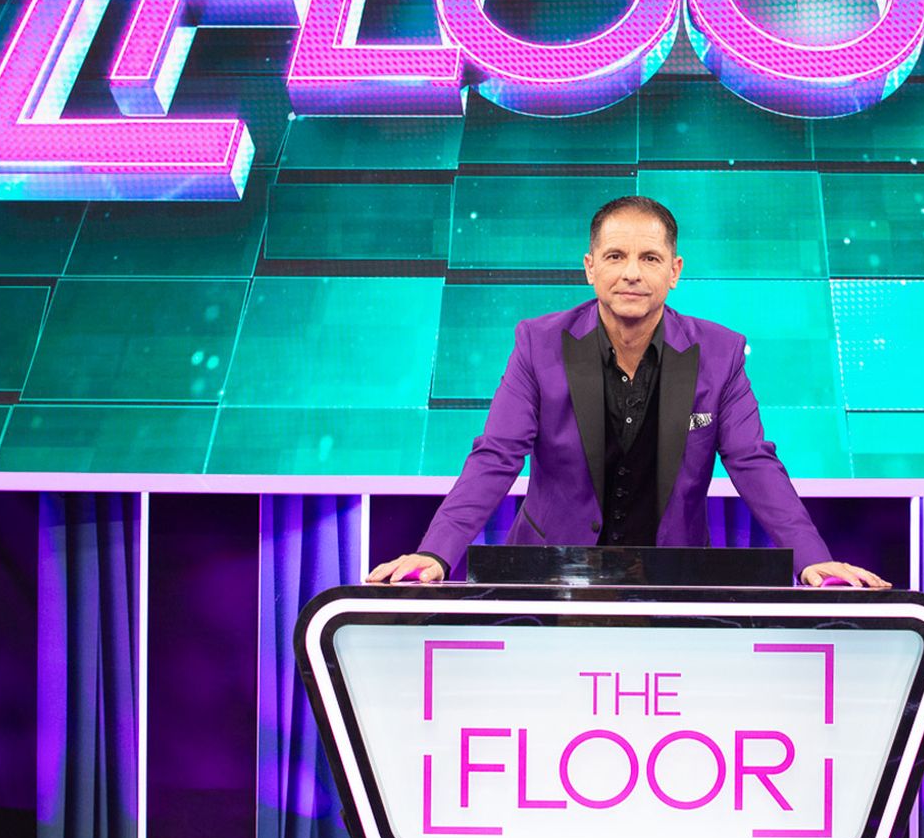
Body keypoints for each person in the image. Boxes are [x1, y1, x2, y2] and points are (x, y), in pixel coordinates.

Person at [369, 196, 890, 588]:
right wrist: (435, 554)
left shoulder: (720, 353)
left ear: (675, 271)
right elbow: (496, 456)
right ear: (590, 267)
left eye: (650, 258)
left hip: (674, 578)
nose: (632, 274)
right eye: (616, 256)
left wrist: (813, 559)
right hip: (549, 577)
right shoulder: (537, 342)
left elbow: (753, 462)